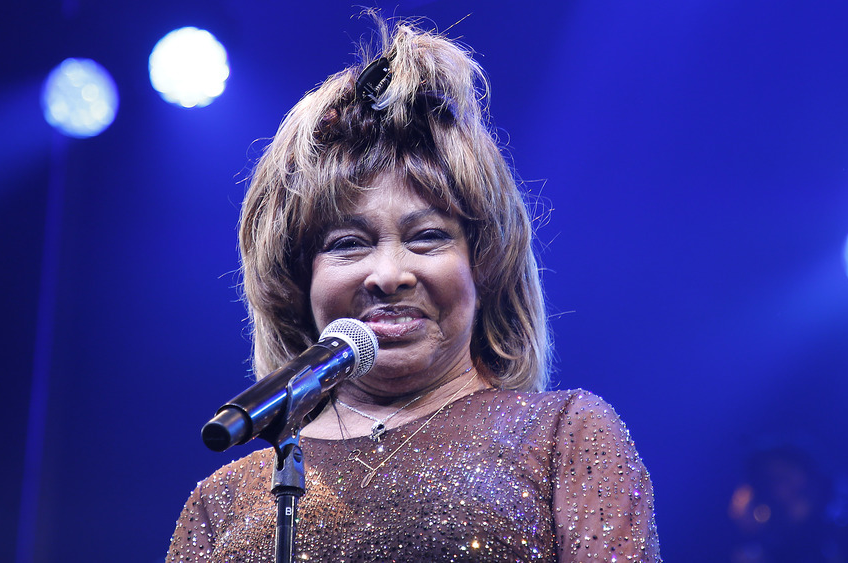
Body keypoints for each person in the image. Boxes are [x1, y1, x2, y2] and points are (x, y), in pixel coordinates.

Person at [167, 16, 660, 562]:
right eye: (348, 243)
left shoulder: (564, 436)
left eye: (426, 237)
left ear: (485, 263)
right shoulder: (224, 502)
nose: (388, 274)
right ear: (295, 278)